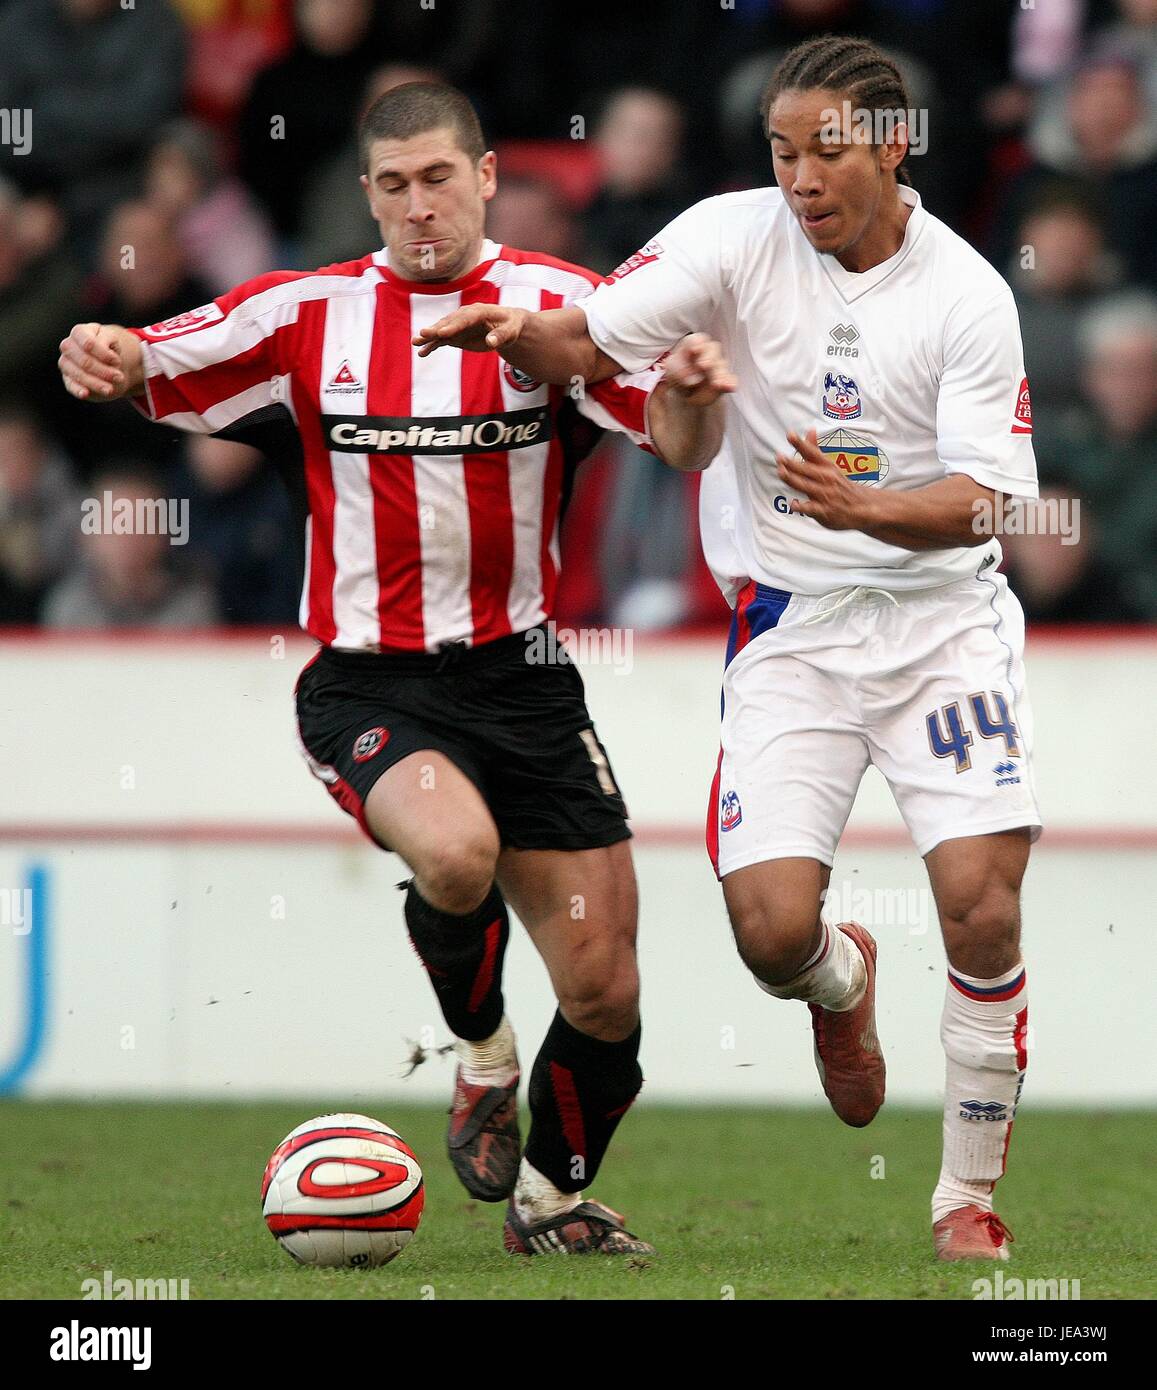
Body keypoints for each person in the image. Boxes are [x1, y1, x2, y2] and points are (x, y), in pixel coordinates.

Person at [58, 81, 732, 1257]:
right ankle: (480, 1055)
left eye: (437, 178)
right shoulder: (301, 316)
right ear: (367, 195)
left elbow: (673, 442)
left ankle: (550, 1203)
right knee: (456, 850)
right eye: (392, 184)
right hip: (371, 681)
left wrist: (687, 403)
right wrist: (103, 348)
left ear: (484, 177)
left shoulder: (563, 308)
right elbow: (153, 360)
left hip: (523, 682)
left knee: (607, 994)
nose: (417, 205)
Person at [415, 37, 1043, 1264]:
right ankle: (836, 983)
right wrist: (514, 334)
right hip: (791, 630)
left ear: (893, 144)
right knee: (767, 934)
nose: (801, 177)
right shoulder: (726, 237)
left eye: (828, 150)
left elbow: (991, 501)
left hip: (943, 628)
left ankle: (963, 1193)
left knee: (978, 908)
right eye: (781, 150)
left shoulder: (966, 292)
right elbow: (587, 342)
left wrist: (866, 507)